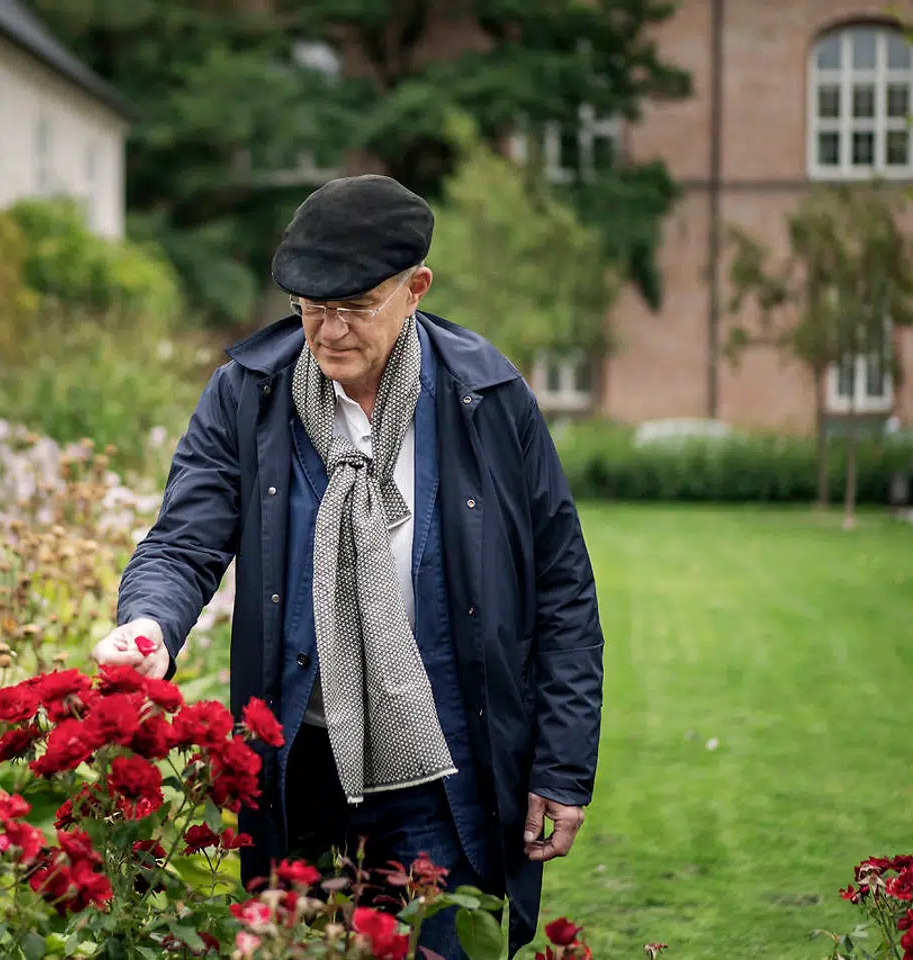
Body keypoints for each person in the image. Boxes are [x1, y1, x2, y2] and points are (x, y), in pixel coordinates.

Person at [92, 174, 605, 957]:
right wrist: (149, 622)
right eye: (309, 307)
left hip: (447, 771)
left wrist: (562, 767)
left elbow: (563, 590)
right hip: (301, 768)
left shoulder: (487, 399)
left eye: (354, 307)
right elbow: (183, 540)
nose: (327, 331)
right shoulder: (248, 396)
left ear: (414, 291)